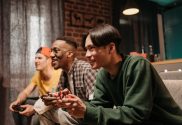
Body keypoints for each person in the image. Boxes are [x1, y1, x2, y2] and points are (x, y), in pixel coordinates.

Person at [58, 24, 182, 125]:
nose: (86, 55)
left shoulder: (137, 65)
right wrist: (72, 102)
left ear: (111, 48)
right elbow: (98, 105)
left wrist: (87, 112)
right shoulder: (103, 73)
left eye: (91, 48)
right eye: (86, 50)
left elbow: (135, 114)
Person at [39, 36, 98, 125]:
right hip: (74, 113)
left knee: (62, 114)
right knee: (42, 109)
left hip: (89, 117)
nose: (51, 55)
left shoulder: (86, 70)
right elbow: (58, 97)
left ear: (69, 54)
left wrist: (70, 102)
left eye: (56, 50)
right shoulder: (64, 73)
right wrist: (52, 99)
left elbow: (95, 104)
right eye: (51, 51)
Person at [9, 47, 62, 125]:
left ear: (49, 60)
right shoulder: (38, 74)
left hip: (54, 104)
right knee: (21, 104)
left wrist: (35, 109)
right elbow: (26, 91)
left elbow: (55, 100)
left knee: (37, 119)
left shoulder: (59, 74)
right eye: (35, 58)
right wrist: (17, 101)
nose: (36, 61)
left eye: (39, 58)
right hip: (42, 100)